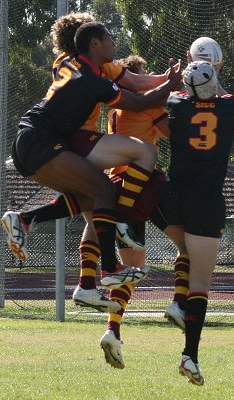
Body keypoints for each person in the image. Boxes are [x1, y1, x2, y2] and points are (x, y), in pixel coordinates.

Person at [2, 22, 182, 313]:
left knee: (93, 200)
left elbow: (137, 82)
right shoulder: (93, 78)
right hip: (46, 142)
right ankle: (111, 262)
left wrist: (169, 81)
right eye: (109, 39)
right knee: (117, 179)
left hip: (31, 142)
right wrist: (173, 86)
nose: (114, 45)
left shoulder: (69, 62)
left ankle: (30, 225)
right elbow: (136, 99)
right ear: (94, 45)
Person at [149, 61, 234, 385]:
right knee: (200, 285)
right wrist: (212, 68)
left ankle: (175, 300)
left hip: (172, 196)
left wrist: (188, 75)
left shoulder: (176, 102)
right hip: (206, 201)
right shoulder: (231, 106)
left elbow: (166, 99)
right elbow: (220, 93)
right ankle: (190, 355)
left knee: (181, 247)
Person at [100, 54, 169, 369]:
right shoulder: (146, 104)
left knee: (131, 268)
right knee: (188, 238)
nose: (148, 78)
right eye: (143, 75)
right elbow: (173, 134)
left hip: (116, 184)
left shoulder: (114, 109)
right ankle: (183, 305)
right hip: (141, 186)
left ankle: (113, 329)